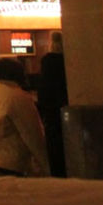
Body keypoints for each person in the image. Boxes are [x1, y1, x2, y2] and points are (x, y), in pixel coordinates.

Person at [37, 31, 68, 177]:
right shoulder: (71, 59)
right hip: (68, 107)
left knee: (57, 152)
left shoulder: (48, 61)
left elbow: (45, 91)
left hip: (53, 114)